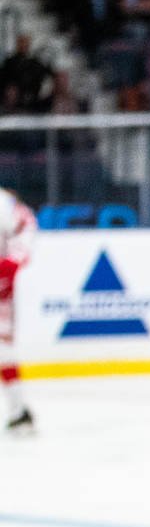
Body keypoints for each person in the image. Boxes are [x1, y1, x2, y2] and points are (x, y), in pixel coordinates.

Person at [0, 185, 36, 435]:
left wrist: (6, 271)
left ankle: (19, 410)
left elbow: (25, 228)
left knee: (3, 349)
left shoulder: (5, 203)